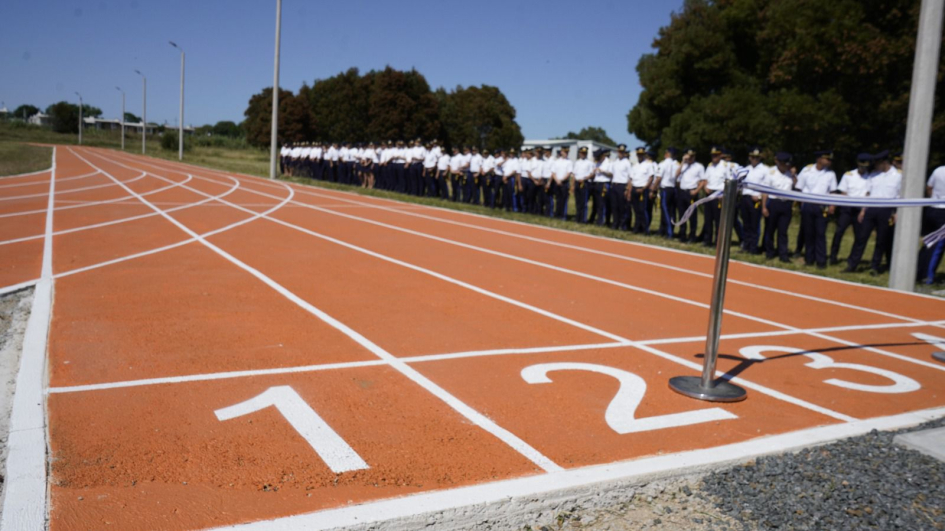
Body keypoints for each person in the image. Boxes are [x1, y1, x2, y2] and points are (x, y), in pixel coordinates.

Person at [845, 151, 902, 275]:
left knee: (881, 240)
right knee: (861, 237)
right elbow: (868, 193)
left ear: (884, 163)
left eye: (877, 163)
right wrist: (863, 210)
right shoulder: (873, 174)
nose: (874, 166)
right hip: (871, 209)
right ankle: (852, 264)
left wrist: (896, 212)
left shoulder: (898, 175)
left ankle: (875, 266)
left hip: (886, 210)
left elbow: (899, 195)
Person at [796, 150, 838, 268]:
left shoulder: (831, 174)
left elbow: (833, 191)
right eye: (827, 159)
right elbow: (799, 187)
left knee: (820, 234)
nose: (829, 162)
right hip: (808, 204)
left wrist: (832, 205)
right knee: (808, 233)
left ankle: (821, 261)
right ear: (819, 159)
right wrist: (801, 204)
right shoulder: (807, 170)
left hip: (822, 206)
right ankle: (809, 259)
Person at [830, 153, 872, 265]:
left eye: (865, 166)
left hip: (860, 209)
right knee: (839, 232)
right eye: (861, 166)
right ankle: (833, 256)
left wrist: (863, 211)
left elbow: (868, 194)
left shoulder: (870, 177)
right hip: (847, 208)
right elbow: (843, 191)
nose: (863, 168)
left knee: (859, 236)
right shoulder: (848, 175)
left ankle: (852, 259)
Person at [762, 152, 797, 262]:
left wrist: (793, 175)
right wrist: (764, 206)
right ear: (779, 163)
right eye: (784, 164)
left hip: (786, 204)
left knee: (783, 231)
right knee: (770, 229)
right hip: (773, 202)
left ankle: (783, 254)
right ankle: (769, 252)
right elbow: (765, 191)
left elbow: (796, 185)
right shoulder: (771, 172)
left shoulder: (790, 173)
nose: (787, 166)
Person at [919, 164, 945, 284]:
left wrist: (934, 197)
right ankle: (928, 276)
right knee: (938, 246)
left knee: (928, 242)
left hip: (932, 208)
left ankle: (919, 271)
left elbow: (929, 187)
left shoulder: (938, 170)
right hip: (942, 211)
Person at [740, 147, 768, 254]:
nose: (754, 159)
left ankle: (753, 247)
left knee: (754, 224)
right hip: (745, 197)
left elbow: (766, 186)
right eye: (752, 157)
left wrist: (760, 197)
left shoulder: (765, 170)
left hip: (756, 200)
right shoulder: (746, 168)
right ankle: (746, 245)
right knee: (746, 223)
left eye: (757, 157)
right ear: (749, 157)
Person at [676, 148, 706, 242]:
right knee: (682, 215)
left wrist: (696, 191)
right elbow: (676, 175)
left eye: (692, 156)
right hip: (682, 191)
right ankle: (682, 235)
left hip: (692, 192)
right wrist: (682, 162)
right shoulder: (683, 166)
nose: (690, 158)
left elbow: (703, 181)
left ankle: (692, 236)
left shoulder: (699, 166)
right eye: (689, 156)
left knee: (692, 216)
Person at [702, 147, 728, 246]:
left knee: (718, 219)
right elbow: (705, 179)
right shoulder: (709, 166)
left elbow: (728, 182)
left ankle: (718, 241)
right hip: (709, 193)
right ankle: (707, 239)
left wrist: (723, 194)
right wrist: (705, 187)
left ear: (720, 155)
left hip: (718, 195)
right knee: (708, 218)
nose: (714, 157)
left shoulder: (725, 166)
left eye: (716, 155)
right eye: (713, 155)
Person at [629, 147, 656, 234]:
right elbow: (631, 178)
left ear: (644, 155)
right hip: (634, 188)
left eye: (641, 154)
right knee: (636, 210)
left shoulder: (648, 165)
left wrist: (644, 188)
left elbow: (651, 178)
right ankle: (636, 228)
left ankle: (645, 229)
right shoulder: (635, 165)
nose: (640, 156)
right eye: (638, 154)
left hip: (643, 190)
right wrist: (629, 190)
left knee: (643, 210)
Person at [655, 147, 680, 239]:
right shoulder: (677, 164)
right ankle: (663, 229)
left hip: (665, 189)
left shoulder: (663, 163)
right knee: (671, 211)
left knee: (665, 211)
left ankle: (669, 232)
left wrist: (653, 188)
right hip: (673, 189)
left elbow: (659, 178)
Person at [610, 145, 632, 230]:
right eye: (619, 152)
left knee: (622, 207)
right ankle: (615, 223)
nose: (620, 153)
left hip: (622, 186)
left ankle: (622, 225)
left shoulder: (627, 163)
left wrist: (627, 189)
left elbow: (630, 177)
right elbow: (612, 174)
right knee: (614, 206)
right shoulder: (615, 162)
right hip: (614, 185)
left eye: (622, 152)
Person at [590, 149, 612, 226]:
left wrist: (602, 171)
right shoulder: (598, 163)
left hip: (604, 184)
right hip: (597, 183)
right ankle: (598, 219)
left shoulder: (608, 163)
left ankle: (601, 221)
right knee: (597, 203)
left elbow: (611, 174)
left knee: (602, 203)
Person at [573, 147, 595, 223]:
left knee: (584, 202)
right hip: (577, 182)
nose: (582, 154)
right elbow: (574, 174)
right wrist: (573, 185)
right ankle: (577, 217)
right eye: (581, 153)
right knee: (578, 202)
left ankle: (583, 219)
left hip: (584, 183)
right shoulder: (577, 162)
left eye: (584, 153)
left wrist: (584, 178)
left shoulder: (589, 163)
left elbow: (592, 174)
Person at [551, 147, 574, 219]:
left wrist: (562, 180)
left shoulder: (569, 162)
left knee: (564, 199)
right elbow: (553, 172)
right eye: (565, 152)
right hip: (557, 182)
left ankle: (562, 215)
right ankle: (557, 214)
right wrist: (557, 180)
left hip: (564, 183)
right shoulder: (556, 161)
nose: (566, 153)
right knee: (558, 199)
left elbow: (568, 173)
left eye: (567, 152)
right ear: (561, 152)